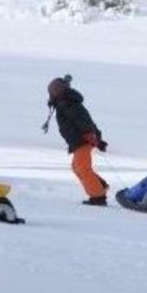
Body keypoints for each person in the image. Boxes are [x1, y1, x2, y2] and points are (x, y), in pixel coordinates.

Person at [47, 75, 109, 206]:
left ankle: (98, 196)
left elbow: (84, 120)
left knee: (82, 168)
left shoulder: (68, 103)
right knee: (76, 167)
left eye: (54, 90)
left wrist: (91, 135)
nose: (52, 93)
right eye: (51, 90)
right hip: (78, 140)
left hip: (83, 139)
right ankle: (100, 186)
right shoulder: (63, 103)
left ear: (61, 91)